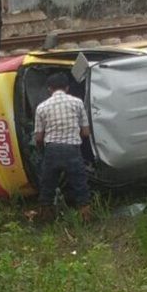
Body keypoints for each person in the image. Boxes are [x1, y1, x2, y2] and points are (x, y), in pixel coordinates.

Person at [34, 73, 92, 222]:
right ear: (67, 88)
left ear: (49, 89)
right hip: (72, 150)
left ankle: (46, 218)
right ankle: (85, 217)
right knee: (80, 185)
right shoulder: (77, 103)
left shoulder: (41, 107)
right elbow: (86, 133)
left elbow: (38, 138)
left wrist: (43, 149)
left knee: (47, 186)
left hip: (52, 150)